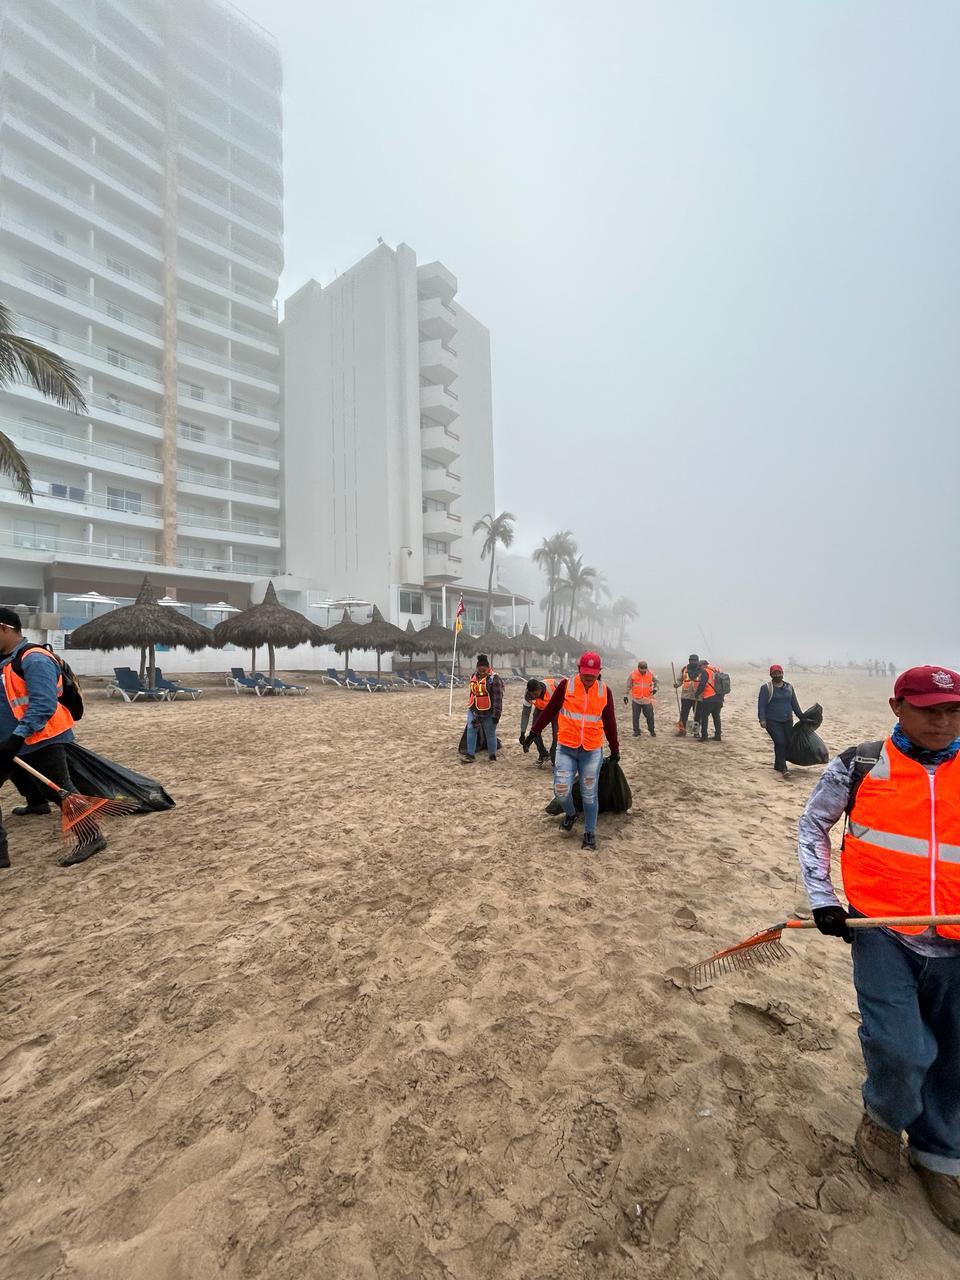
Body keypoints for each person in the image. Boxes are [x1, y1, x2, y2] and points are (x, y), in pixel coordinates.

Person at [797, 665, 960, 1233]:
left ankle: (940, 1155)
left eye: (952, 710)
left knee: (954, 1055)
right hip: (883, 932)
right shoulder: (860, 764)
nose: (942, 721)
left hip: (957, 941)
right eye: (928, 709)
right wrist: (823, 898)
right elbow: (814, 826)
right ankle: (884, 1120)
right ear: (898, 707)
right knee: (900, 1046)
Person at [0, 607, 106, 869]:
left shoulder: (34, 659)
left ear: (4, 628)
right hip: (9, 740)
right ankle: (4, 847)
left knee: (60, 789)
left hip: (42, 738)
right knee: (31, 782)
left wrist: (18, 736)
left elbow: (44, 703)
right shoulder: (3, 660)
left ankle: (92, 836)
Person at [524, 651, 619, 853]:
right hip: (566, 747)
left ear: (599, 672)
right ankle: (570, 813)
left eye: (593, 673)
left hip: (591, 751)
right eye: (585, 672)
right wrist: (534, 732)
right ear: (578, 669)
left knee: (589, 793)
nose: (589, 677)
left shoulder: (605, 692)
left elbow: (610, 722)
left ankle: (590, 833)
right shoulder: (566, 686)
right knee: (561, 790)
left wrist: (615, 748)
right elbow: (550, 710)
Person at [758, 664, 803, 777]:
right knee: (780, 742)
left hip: (787, 720)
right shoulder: (766, 688)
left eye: (779, 673)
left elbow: (794, 704)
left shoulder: (789, 687)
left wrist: (802, 717)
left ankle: (778, 764)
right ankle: (784, 768)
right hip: (772, 721)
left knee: (786, 742)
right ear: (771, 674)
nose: (777, 675)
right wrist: (762, 719)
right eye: (775, 673)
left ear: (783, 673)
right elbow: (761, 705)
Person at [461, 653, 503, 763]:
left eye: (484, 671)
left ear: (488, 668)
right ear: (477, 669)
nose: (482, 673)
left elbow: (498, 699)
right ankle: (470, 755)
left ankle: (492, 756)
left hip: (489, 712)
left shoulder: (495, 679)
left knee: (490, 733)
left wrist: (496, 715)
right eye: (480, 671)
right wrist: (472, 710)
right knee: (471, 729)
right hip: (474, 710)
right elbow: (472, 693)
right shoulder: (473, 676)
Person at [519, 677, 558, 765]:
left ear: (540, 689)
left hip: (556, 711)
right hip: (540, 709)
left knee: (557, 735)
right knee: (535, 732)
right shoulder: (528, 695)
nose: (533, 696)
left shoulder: (553, 686)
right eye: (531, 694)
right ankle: (543, 754)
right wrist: (522, 733)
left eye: (535, 694)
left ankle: (555, 756)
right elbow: (525, 714)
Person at [624, 660, 658, 737]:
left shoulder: (650, 674)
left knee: (650, 716)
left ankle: (652, 730)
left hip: (647, 700)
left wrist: (655, 688)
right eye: (641, 670)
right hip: (636, 699)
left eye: (644, 670)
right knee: (635, 717)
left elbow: (656, 681)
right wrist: (625, 695)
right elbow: (628, 686)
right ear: (638, 668)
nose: (643, 672)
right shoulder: (633, 674)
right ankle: (636, 731)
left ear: (647, 668)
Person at [695, 658, 723, 742]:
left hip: (709, 698)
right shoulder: (716, 670)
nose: (699, 670)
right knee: (716, 717)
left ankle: (704, 736)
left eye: (699, 667)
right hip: (719, 698)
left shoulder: (705, 671)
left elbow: (702, 684)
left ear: (702, 665)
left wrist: (697, 693)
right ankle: (718, 735)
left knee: (704, 717)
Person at [674, 654, 700, 736]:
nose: (693, 662)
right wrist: (677, 684)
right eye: (691, 660)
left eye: (695, 660)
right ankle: (682, 730)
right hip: (686, 695)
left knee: (697, 715)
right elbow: (680, 680)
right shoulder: (684, 669)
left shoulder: (701, 670)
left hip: (697, 696)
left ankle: (696, 732)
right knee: (684, 714)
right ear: (689, 661)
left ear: (697, 661)